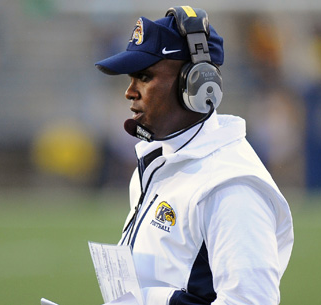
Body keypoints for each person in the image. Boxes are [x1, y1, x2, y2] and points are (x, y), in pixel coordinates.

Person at [94, 6, 294, 305]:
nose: (130, 91)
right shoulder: (159, 160)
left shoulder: (231, 186)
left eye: (144, 76)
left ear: (198, 83)